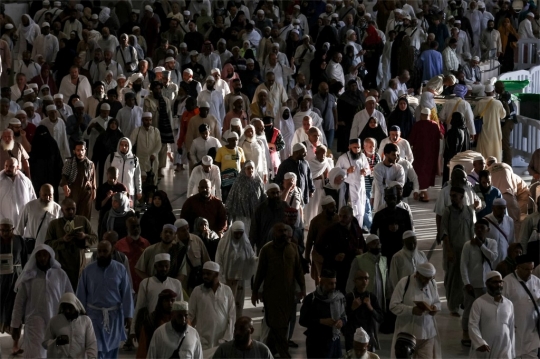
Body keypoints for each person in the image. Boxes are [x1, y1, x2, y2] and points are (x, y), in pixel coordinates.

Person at [252, 222, 306, 358]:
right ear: (273, 233)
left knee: (281, 324)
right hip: (271, 294)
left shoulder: (293, 248)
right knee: (277, 324)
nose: (283, 233)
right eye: (279, 231)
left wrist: (303, 288)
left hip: (288, 294)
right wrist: (255, 291)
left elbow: (299, 270)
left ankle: (268, 350)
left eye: (284, 231)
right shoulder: (266, 250)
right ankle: (284, 354)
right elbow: (260, 273)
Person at [11, 244, 73, 359]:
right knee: (35, 354)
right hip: (35, 323)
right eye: (39, 255)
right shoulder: (29, 277)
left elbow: (70, 296)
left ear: (50, 256)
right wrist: (15, 325)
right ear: (35, 257)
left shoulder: (60, 274)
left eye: (45, 255)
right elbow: (19, 303)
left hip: (56, 321)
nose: (42, 258)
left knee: (56, 353)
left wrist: (72, 317)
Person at [76, 240, 133, 359]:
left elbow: (127, 293)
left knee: (112, 348)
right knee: (96, 348)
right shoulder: (88, 270)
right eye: (100, 251)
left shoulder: (120, 269)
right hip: (94, 316)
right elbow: (81, 293)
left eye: (105, 251)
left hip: (115, 316)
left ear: (111, 251)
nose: (101, 254)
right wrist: (80, 315)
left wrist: (129, 315)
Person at [389, 262, 441, 358]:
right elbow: (393, 306)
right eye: (425, 278)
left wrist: (435, 308)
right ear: (417, 274)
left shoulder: (432, 284)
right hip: (406, 336)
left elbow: (437, 302)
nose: (427, 282)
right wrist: (411, 310)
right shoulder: (404, 283)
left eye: (429, 279)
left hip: (427, 335)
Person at [45, 198, 98, 290]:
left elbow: (95, 239)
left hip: (80, 262)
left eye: (73, 208)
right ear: (62, 210)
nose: (71, 211)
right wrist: (62, 240)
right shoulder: (54, 224)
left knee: (79, 289)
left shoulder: (83, 220)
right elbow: (47, 244)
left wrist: (84, 236)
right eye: (68, 209)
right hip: (62, 262)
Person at [460, 219, 498, 346]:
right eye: (477, 228)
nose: (479, 230)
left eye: (482, 228)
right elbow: (463, 265)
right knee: (469, 309)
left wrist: (481, 245)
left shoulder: (492, 243)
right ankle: (465, 333)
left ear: (488, 230)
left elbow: (492, 257)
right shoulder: (467, 245)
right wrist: (466, 283)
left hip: (487, 285)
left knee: (485, 310)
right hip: (472, 284)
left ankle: (482, 333)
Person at [131, 253, 183, 342]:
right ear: (155, 266)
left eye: (166, 266)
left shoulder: (176, 283)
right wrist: (133, 329)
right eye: (161, 266)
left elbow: (180, 307)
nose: (164, 269)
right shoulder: (146, 283)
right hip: (151, 324)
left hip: (171, 326)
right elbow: (139, 307)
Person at [317, 206, 365, 294]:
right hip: (336, 269)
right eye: (340, 216)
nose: (342, 219)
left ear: (351, 217)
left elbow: (362, 245)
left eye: (345, 216)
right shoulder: (332, 230)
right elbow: (319, 247)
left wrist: (360, 251)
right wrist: (333, 256)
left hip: (351, 267)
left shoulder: (356, 230)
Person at [299, 268, 347, 359]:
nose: (333, 286)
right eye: (330, 283)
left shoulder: (339, 298)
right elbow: (303, 320)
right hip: (316, 344)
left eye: (334, 283)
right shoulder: (311, 299)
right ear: (321, 283)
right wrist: (321, 321)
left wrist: (342, 322)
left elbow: (344, 316)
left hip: (334, 342)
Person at [188, 261, 235, 350]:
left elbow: (232, 316)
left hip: (222, 341)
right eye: (204, 273)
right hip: (203, 342)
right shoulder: (197, 291)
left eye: (208, 274)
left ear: (216, 275)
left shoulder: (227, 290)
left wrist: (227, 338)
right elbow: (190, 315)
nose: (205, 276)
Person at [469, 271, 515, 358]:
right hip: (485, 347)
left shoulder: (509, 304)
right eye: (495, 282)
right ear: (487, 284)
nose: (498, 285)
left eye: (500, 282)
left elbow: (511, 328)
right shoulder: (479, 303)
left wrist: (512, 352)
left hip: (504, 347)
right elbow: (473, 324)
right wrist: (479, 343)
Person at [216, 221, 257, 318]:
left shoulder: (245, 242)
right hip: (227, 280)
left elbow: (251, 256)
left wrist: (257, 260)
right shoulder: (224, 243)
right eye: (236, 233)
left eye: (240, 233)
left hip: (240, 279)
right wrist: (221, 278)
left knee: (238, 304)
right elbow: (219, 260)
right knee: (228, 305)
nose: (238, 235)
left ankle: (237, 325)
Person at [0, 217, 28, 355]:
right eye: (2, 230)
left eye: (7, 230)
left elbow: (24, 260)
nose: (4, 233)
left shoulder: (19, 240)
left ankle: (16, 344)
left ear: (12, 229)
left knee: (15, 312)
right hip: (0, 281)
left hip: (15, 280)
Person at [42, 292, 98, 358]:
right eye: (65, 308)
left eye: (70, 307)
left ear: (76, 306)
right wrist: (56, 341)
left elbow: (91, 344)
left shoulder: (85, 321)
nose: (67, 311)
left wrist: (92, 357)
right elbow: (45, 343)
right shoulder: (54, 321)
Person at [408, 107, 443, 202]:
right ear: (430, 115)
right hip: (431, 154)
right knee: (427, 172)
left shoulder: (417, 125)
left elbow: (411, 139)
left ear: (421, 115)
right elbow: (439, 138)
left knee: (420, 172)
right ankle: (422, 192)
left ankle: (423, 193)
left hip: (419, 153)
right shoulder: (435, 125)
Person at [371, 187, 413, 264]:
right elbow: (373, 233)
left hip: (401, 247)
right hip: (386, 248)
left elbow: (409, 231)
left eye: (394, 198)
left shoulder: (404, 213)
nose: (392, 201)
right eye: (389, 198)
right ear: (385, 199)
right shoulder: (379, 215)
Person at [346, 234, 387, 311]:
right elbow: (351, 280)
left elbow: (386, 279)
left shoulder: (383, 260)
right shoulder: (358, 259)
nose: (377, 246)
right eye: (374, 243)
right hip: (364, 298)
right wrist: (351, 297)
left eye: (378, 243)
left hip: (380, 298)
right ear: (368, 246)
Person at [335, 139, 370, 228]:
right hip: (348, 187)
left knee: (361, 210)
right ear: (349, 147)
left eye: (358, 147)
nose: (357, 150)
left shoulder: (362, 156)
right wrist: (347, 170)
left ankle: (358, 229)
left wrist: (365, 171)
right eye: (354, 147)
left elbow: (368, 168)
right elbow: (336, 171)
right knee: (351, 209)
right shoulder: (342, 158)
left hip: (361, 187)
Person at [225, 161, 265, 233]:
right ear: (244, 169)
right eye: (248, 168)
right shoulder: (238, 182)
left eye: (252, 168)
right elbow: (231, 196)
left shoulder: (258, 181)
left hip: (255, 215)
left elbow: (263, 195)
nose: (251, 170)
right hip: (241, 215)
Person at [60, 141, 96, 220]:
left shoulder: (90, 164)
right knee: (71, 218)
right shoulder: (69, 163)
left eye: (82, 150)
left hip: (86, 195)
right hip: (73, 194)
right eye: (78, 150)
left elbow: (93, 179)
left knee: (84, 219)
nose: (80, 152)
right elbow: (64, 177)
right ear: (74, 151)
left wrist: (93, 190)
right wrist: (65, 185)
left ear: (85, 150)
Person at [27, 125, 63, 200]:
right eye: (41, 134)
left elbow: (58, 162)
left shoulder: (52, 144)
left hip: (51, 179)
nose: (43, 137)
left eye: (44, 134)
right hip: (38, 181)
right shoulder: (35, 145)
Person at [103, 137, 142, 202]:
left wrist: (139, 191)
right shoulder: (112, 157)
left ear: (129, 146)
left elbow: (137, 176)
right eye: (121, 145)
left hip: (129, 192)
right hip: (114, 191)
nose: (123, 147)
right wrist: (104, 189)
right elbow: (106, 173)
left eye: (126, 145)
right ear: (118, 145)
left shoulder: (134, 159)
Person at [389, 231, 428, 296]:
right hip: (405, 293)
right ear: (403, 242)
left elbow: (428, 273)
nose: (412, 245)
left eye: (414, 242)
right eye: (409, 243)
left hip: (421, 292)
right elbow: (393, 278)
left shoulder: (421, 255)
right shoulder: (397, 257)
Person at [475, 84, 506, 162]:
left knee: (483, 152)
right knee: (495, 151)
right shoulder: (498, 103)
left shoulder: (480, 102)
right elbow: (503, 115)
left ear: (485, 92)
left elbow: (474, 115)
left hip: (484, 131)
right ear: (493, 91)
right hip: (495, 132)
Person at [0, 158, 36, 226]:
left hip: (22, 223)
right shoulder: (0, 181)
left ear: (17, 167)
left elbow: (33, 200)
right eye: (6, 166)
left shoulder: (26, 181)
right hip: (3, 224)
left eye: (11, 166)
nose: (7, 168)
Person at [130, 112, 162, 185]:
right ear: (142, 120)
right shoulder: (137, 131)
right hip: (141, 160)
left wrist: (154, 154)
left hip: (153, 160)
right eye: (146, 120)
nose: (148, 122)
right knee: (141, 181)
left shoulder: (155, 131)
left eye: (150, 120)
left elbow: (158, 144)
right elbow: (130, 143)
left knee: (153, 181)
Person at [371, 144, 405, 212]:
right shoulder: (378, 168)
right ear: (386, 154)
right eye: (393, 155)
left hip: (395, 201)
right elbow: (380, 187)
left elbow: (400, 185)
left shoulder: (399, 168)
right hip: (381, 201)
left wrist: (385, 181)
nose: (396, 157)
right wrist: (394, 183)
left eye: (397, 155)